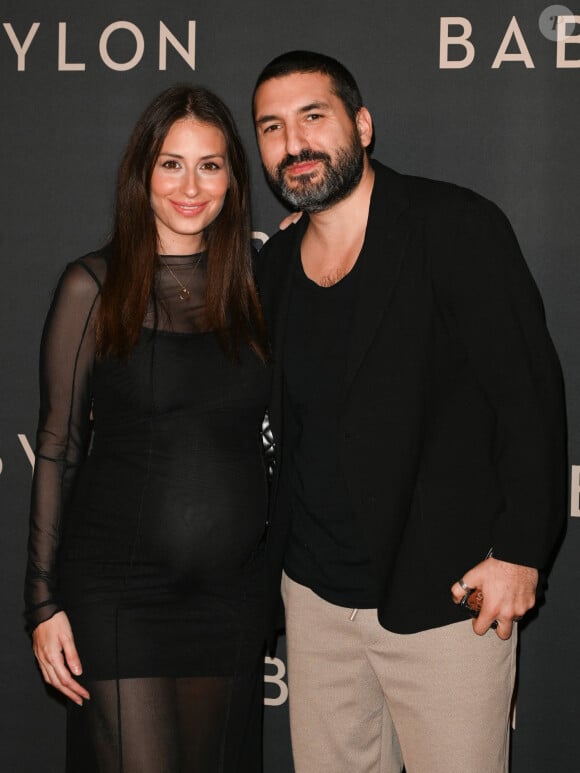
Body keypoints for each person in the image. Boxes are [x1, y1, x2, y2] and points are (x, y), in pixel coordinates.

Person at [253, 50, 567, 773]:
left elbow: (529, 398)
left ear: (361, 125)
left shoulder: (454, 226)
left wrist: (521, 549)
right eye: (272, 127)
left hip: (446, 597)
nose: (293, 143)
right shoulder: (273, 268)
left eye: (312, 117)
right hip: (315, 600)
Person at [25, 85, 269, 773]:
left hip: (230, 600)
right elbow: (57, 447)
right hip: (118, 596)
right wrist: (42, 603)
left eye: (211, 165)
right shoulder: (93, 287)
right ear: (143, 173)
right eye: (171, 164)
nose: (191, 185)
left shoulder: (256, 289)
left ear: (233, 178)